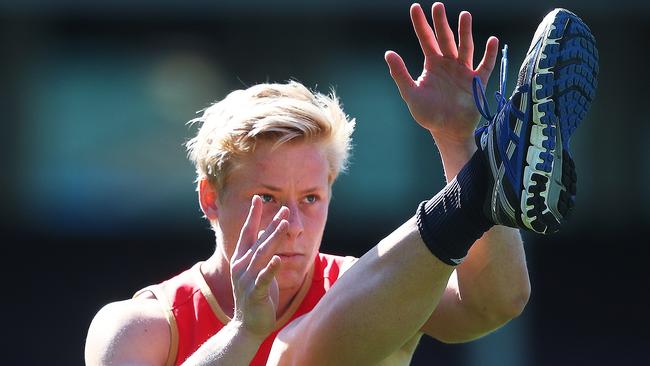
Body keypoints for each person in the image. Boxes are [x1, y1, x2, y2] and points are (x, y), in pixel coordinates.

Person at [85, 2, 598, 365]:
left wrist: (456, 138)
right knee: (290, 353)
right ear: (210, 199)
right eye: (265, 198)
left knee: (333, 321)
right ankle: (481, 185)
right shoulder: (142, 324)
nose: (291, 224)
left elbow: (495, 303)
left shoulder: (363, 288)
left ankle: (483, 182)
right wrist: (245, 331)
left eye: (310, 198)